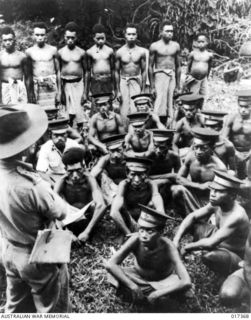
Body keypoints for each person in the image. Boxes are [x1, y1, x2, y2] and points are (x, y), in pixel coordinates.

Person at [0, 104, 72, 312]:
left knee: (16, 303)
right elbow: (61, 211)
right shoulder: (30, 185)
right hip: (37, 253)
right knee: (50, 306)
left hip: (9, 249)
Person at [105, 204, 191, 305]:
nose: (143, 236)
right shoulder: (135, 239)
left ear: (160, 232)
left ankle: (149, 296)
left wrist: (157, 294)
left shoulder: (168, 246)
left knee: (185, 291)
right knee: (113, 274)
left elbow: (186, 281)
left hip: (163, 281)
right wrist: (133, 286)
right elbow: (110, 264)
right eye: (141, 229)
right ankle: (145, 295)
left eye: (150, 231)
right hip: (138, 277)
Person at [173, 170, 249, 279]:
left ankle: (225, 275)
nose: (212, 194)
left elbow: (210, 244)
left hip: (234, 253)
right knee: (181, 228)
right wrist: (176, 239)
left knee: (210, 256)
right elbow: (193, 216)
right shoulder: (216, 203)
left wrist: (187, 247)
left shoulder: (237, 215)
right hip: (217, 236)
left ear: (232, 196)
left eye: (219, 191)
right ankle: (198, 246)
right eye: (212, 189)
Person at [54, 147, 106, 243]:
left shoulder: (89, 179)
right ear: (65, 169)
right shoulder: (61, 182)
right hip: (69, 218)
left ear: (84, 167)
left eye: (78, 170)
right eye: (70, 171)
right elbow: (51, 208)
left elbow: (101, 205)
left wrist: (87, 231)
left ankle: (92, 232)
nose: (75, 175)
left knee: (96, 205)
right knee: (57, 202)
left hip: (87, 217)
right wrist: (65, 232)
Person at [171, 127, 227, 217]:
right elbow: (179, 178)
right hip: (193, 195)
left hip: (209, 203)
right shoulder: (191, 157)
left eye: (203, 148)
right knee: (176, 189)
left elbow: (223, 195)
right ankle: (180, 216)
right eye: (196, 147)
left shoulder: (219, 168)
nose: (198, 152)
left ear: (212, 148)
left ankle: (198, 217)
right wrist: (200, 186)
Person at [110, 157, 164, 235]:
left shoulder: (151, 184)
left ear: (147, 174)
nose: (136, 180)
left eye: (141, 175)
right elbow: (114, 213)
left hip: (145, 218)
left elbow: (157, 198)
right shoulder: (124, 184)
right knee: (120, 205)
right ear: (127, 174)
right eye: (132, 174)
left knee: (152, 204)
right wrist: (128, 234)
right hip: (129, 218)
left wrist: (160, 213)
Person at [149, 21, 181, 123]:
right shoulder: (154, 46)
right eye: (167, 31)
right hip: (159, 75)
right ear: (161, 32)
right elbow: (150, 66)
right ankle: (157, 124)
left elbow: (178, 66)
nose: (170, 33)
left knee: (170, 100)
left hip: (171, 75)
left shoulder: (176, 46)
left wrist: (178, 85)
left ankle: (170, 125)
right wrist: (152, 86)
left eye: (171, 31)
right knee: (159, 100)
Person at [58, 22, 86, 131]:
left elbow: (87, 71)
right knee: (66, 113)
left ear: (76, 37)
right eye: (68, 37)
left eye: (72, 38)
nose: (70, 40)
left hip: (78, 83)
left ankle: (81, 134)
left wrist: (85, 92)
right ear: (64, 37)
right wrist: (60, 92)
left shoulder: (81, 52)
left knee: (79, 113)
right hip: (65, 83)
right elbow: (58, 72)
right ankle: (68, 135)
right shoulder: (60, 53)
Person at [26, 22, 61, 108]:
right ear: (33, 35)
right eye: (37, 35)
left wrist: (59, 92)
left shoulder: (53, 50)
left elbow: (58, 71)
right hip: (37, 87)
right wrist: (30, 93)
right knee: (39, 114)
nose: (40, 37)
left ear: (46, 35)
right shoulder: (29, 52)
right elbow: (28, 75)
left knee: (53, 112)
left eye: (42, 35)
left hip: (51, 85)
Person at [36, 117, 81, 183]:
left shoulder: (73, 145)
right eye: (56, 135)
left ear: (67, 134)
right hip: (54, 177)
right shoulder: (46, 147)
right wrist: (53, 185)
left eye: (62, 135)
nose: (59, 138)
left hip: (72, 176)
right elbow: (41, 172)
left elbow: (81, 169)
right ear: (50, 135)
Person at [115, 23, 146, 117]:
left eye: (133, 34)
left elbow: (144, 71)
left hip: (136, 80)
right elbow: (116, 72)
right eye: (129, 34)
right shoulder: (119, 52)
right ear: (125, 35)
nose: (131, 37)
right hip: (124, 81)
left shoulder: (141, 52)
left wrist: (143, 89)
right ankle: (125, 129)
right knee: (124, 109)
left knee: (136, 107)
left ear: (136, 35)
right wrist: (118, 91)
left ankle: (136, 129)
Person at [91, 134, 126, 204]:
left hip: (127, 186)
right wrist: (97, 191)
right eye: (112, 151)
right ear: (107, 150)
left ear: (124, 147)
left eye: (118, 150)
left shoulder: (130, 157)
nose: (115, 155)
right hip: (110, 189)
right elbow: (91, 176)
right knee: (102, 174)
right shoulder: (105, 160)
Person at [224, 89, 251, 179]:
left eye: (247, 107)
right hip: (233, 152)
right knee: (232, 175)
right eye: (241, 106)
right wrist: (235, 152)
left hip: (249, 152)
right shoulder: (232, 118)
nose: (243, 110)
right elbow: (224, 138)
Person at [150, 129, 180, 208]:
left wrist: (170, 178)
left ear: (169, 146)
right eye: (156, 146)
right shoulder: (149, 156)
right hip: (149, 185)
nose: (158, 150)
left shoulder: (174, 157)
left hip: (166, 186)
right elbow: (144, 176)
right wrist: (168, 176)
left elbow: (178, 177)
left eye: (162, 148)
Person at [86, 24, 116, 98]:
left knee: (108, 103)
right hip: (96, 81)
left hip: (107, 81)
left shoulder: (110, 50)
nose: (100, 41)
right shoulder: (90, 52)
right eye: (98, 38)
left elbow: (113, 70)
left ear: (105, 37)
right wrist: (87, 90)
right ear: (94, 38)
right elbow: (88, 72)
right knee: (96, 103)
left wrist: (115, 88)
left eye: (102, 38)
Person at [0, 26, 28, 104]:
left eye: (10, 39)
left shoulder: (22, 56)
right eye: (5, 40)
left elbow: (28, 78)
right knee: (7, 113)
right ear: (2, 41)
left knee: (21, 112)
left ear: (14, 40)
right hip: (5, 87)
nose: (8, 42)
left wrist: (30, 93)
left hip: (19, 87)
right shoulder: (0, 56)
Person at [183, 33, 213, 98]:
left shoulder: (209, 55)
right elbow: (188, 66)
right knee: (193, 96)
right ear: (196, 43)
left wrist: (207, 77)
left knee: (203, 96)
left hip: (204, 78)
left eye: (203, 42)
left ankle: (201, 107)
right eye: (199, 42)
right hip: (194, 78)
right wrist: (188, 75)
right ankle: (193, 107)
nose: (201, 44)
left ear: (207, 42)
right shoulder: (193, 53)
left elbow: (209, 67)